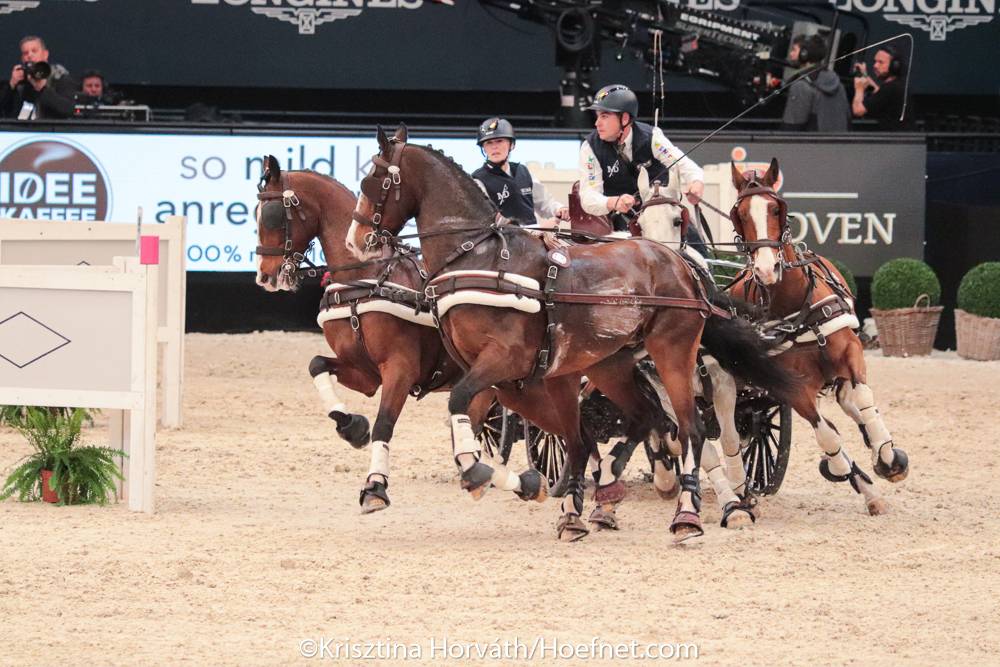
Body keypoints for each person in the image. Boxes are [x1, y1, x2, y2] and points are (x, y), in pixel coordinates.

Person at [578, 84, 704, 232]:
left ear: (624, 118)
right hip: (622, 222)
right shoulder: (590, 147)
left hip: (663, 216)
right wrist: (614, 202)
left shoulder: (652, 137)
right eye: (597, 116)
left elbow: (683, 164)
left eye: (604, 116)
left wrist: (696, 183)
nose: (597, 123)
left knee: (696, 244)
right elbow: (588, 196)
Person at [471, 117, 569, 227]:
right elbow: (492, 222)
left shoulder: (523, 171)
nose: (494, 147)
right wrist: (539, 228)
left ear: (511, 145)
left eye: (499, 141)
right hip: (504, 237)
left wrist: (559, 209)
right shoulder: (478, 180)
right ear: (483, 148)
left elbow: (544, 204)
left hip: (533, 235)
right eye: (489, 143)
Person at [781, 35, 849, 132]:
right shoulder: (839, 85)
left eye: (794, 50)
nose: (791, 54)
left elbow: (791, 128)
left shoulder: (801, 86)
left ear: (804, 54)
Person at [0, 35, 76, 120]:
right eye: (25, 53)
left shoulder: (59, 77)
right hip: (21, 127)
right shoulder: (21, 82)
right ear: (22, 58)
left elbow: (69, 109)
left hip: (50, 127)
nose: (30, 55)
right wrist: (11, 85)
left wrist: (42, 89)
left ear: (45, 54)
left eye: (34, 51)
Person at [852, 46, 909, 131]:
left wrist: (859, 89)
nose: (875, 65)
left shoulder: (889, 88)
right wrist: (865, 75)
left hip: (892, 137)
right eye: (875, 61)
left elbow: (858, 111)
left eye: (880, 62)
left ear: (894, 66)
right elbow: (879, 93)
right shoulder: (897, 85)